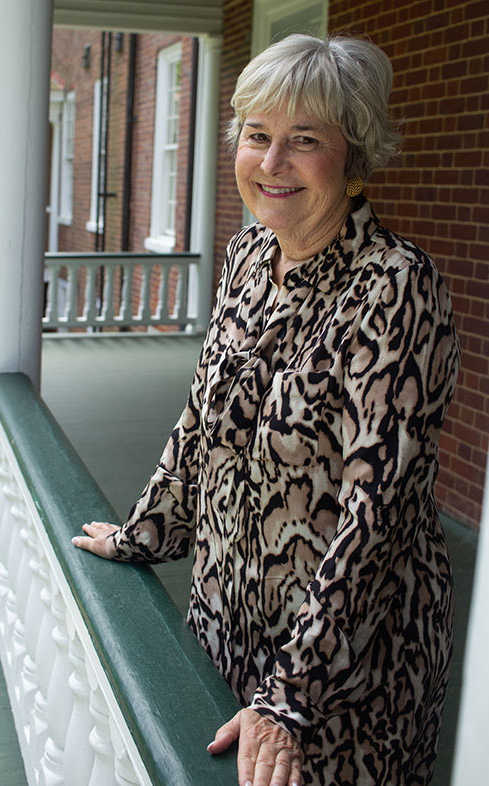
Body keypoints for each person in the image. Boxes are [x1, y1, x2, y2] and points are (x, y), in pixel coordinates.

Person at [72, 33, 460, 786]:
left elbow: (378, 510)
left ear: (355, 162)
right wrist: (147, 530)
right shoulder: (248, 256)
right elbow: (203, 419)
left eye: (304, 141)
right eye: (258, 136)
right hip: (224, 622)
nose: (273, 163)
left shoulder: (396, 286)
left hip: (347, 666)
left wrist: (289, 697)